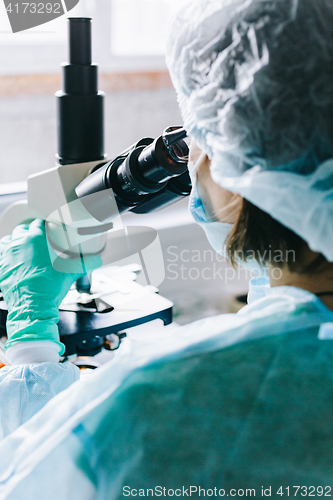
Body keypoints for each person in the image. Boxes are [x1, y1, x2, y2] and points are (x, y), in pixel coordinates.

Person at [1, 0, 333, 497]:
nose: (190, 162)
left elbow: (32, 477)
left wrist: (31, 347)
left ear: (246, 171)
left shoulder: (159, 398)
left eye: (199, 139)